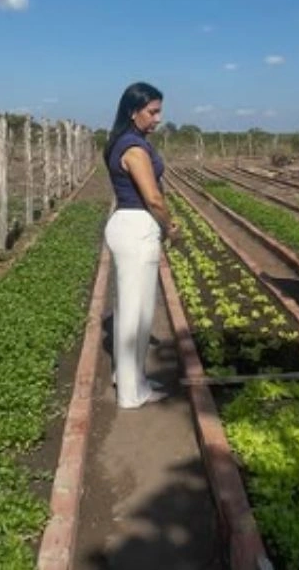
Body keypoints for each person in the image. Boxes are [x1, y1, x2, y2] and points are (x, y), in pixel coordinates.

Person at [103, 82, 179, 409]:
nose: (158, 118)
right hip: (136, 228)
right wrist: (170, 225)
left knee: (134, 311)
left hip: (129, 225)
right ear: (133, 112)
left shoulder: (127, 141)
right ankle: (132, 394)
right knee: (136, 315)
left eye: (159, 110)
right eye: (153, 111)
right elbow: (152, 197)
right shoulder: (133, 148)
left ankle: (130, 376)